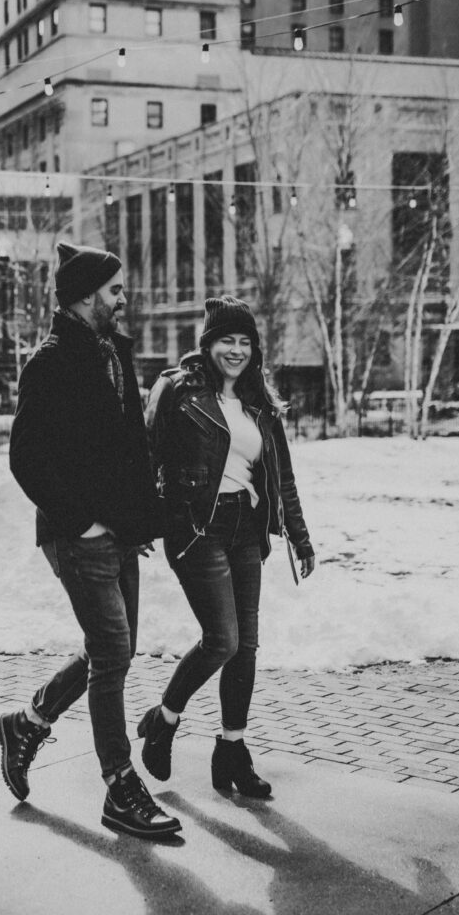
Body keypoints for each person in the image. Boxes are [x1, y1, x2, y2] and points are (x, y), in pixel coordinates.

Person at [0, 240, 181, 840]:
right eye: (115, 290)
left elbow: (125, 450)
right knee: (111, 654)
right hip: (79, 533)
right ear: (84, 295)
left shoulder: (110, 353)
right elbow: (26, 458)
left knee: (115, 651)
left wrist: (136, 519)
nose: (123, 299)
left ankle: (28, 722)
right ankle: (119, 786)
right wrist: (81, 522)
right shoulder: (50, 363)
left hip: (116, 529)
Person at [139, 296, 315, 797]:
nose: (236, 350)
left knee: (247, 647)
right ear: (208, 344)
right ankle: (164, 719)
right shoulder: (177, 391)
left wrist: (298, 535)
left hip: (246, 528)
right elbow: (145, 457)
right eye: (226, 340)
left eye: (245, 341)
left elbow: (282, 477)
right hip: (197, 528)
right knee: (223, 640)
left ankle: (232, 749)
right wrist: (141, 523)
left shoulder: (260, 403)